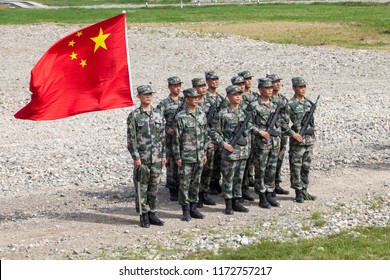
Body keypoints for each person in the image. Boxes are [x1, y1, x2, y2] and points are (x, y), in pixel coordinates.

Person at [127, 85, 166, 228]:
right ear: (139, 96)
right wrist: (136, 157)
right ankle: (143, 214)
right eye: (145, 94)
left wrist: (163, 155)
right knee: (141, 187)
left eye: (150, 94)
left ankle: (152, 213)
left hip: (156, 158)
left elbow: (162, 137)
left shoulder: (158, 114)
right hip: (142, 158)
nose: (148, 97)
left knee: (154, 187)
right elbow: (131, 140)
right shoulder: (135, 115)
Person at [211, 85, 253, 215]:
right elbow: (214, 132)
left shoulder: (244, 112)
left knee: (239, 178)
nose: (238, 97)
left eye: (240, 95)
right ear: (229, 96)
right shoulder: (222, 114)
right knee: (228, 178)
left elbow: (250, 129)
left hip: (243, 151)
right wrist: (224, 144)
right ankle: (228, 204)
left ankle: (236, 201)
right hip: (230, 152)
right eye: (235, 95)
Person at [173, 88, 208, 221]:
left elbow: (205, 135)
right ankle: (185, 210)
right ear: (187, 99)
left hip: (199, 155)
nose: (197, 99)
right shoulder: (181, 116)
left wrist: (204, 153)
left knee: (195, 183)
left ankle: (194, 207)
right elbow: (176, 139)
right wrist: (177, 156)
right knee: (184, 184)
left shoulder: (201, 114)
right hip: (186, 156)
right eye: (194, 97)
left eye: (198, 97)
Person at [251, 78, 281, 209]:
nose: (270, 90)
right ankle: (262, 197)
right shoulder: (254, 105)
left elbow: (278, 125)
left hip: (273, 143)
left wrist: (278, 140)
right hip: (261, 144)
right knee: (261, 170)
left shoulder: (275, 105)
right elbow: (248, 124)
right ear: (260, 89)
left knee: (271, 169)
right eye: (267, 88)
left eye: (271, 88)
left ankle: (270, 194)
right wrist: (260, 132)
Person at [287, 77, 317, 203]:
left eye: (304, 87)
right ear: (294, 88)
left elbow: (312, 122)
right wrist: (293, 134)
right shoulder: (290, 104)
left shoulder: (309, 103)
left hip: (308, 141)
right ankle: (298, 191)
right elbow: (283, 124)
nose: (303, 89)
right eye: (300, 87)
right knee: (296, 167)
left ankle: (305, 189)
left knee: (306, 167)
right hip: (297, 142)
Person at [198, 71, 225, 206]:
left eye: (217, 79)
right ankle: (199, 192)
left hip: (216, 135)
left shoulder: (220, 99)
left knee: (214, 163)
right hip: (202, 138)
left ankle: (212, 185)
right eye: (212, 79)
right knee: (203, 165)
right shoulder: (200, 99)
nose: (215, 81)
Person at [157, 76, 184, 202]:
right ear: (169, 87)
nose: (177, 88)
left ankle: (182, 187)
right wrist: (167, 129)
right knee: (172, 164)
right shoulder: (164, 104)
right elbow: (157, 121)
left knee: (183, 162)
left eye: (179, 85)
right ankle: (172, 188)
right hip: (170, 139)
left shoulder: (184, 101)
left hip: (184, 139)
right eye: (175, 86)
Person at [268, 74, 290, 196]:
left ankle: (276, 183)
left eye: (278, 82)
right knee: (268, 162)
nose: (277, 84)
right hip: (270, 136)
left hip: (282, 134)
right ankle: (267, 186)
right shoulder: (267, 100)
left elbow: (286, 118)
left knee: (279, 159)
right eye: (274, 82)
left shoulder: (283, 99)